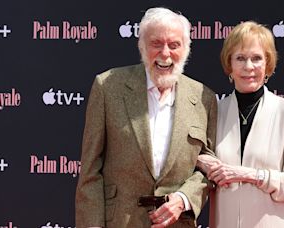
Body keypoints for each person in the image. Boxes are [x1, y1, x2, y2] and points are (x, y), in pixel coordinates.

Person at [75, 7, 217, 228]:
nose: (165, 53)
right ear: (142, 46)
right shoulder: (108, 87)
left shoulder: (203, 98)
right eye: (156, 44)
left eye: (174, 45)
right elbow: (90, 172)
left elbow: (207, 168)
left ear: (186, 49)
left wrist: (183, 199)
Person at [196, 21, 284, 228]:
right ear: (229, 64)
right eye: (240, 58)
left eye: (256, 58)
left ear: (267, 64)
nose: (248, 66)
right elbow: (191, 161)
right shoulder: (215, 111)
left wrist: (250, 175)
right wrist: (200, 161)